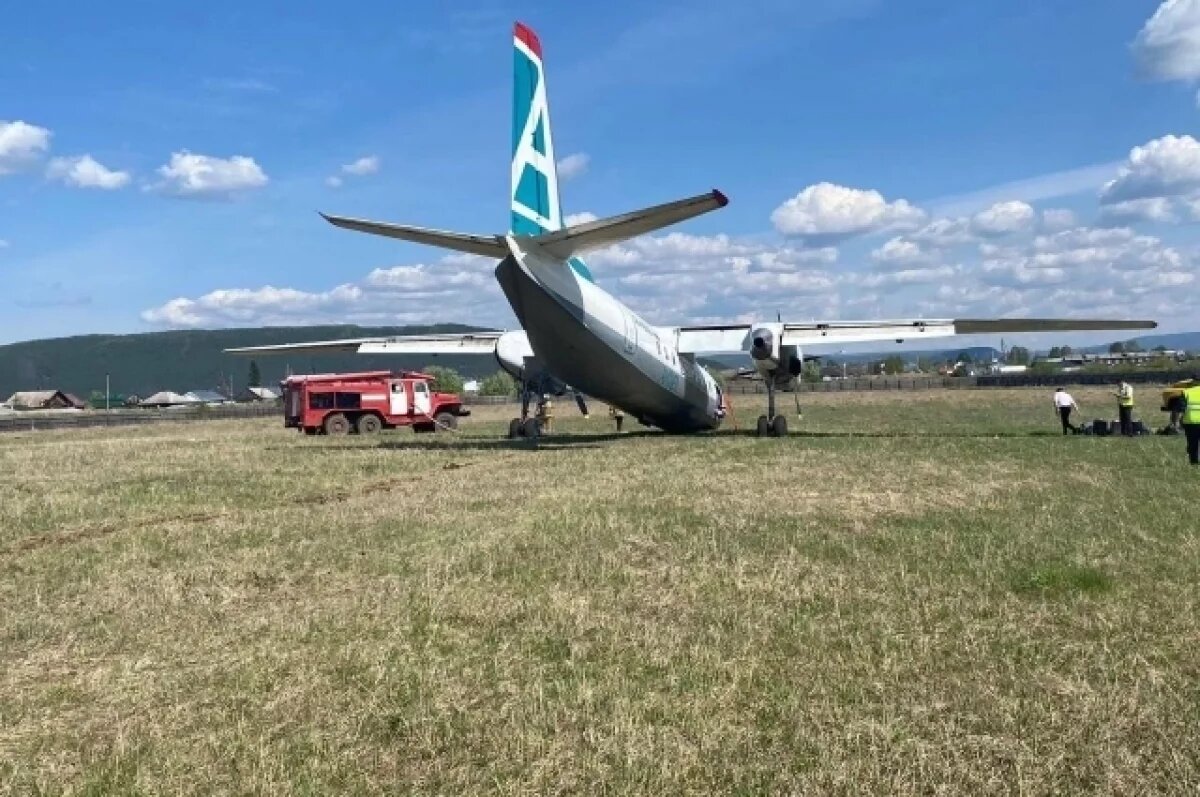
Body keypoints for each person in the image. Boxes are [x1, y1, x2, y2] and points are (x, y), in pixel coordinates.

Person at [1183, 378, 1200, 466]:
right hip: (1190, 422)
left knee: (1192, 443)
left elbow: (1180, 408)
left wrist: (1175, 422)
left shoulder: (1187, 392)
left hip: (1190, 422)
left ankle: (1194, 462)